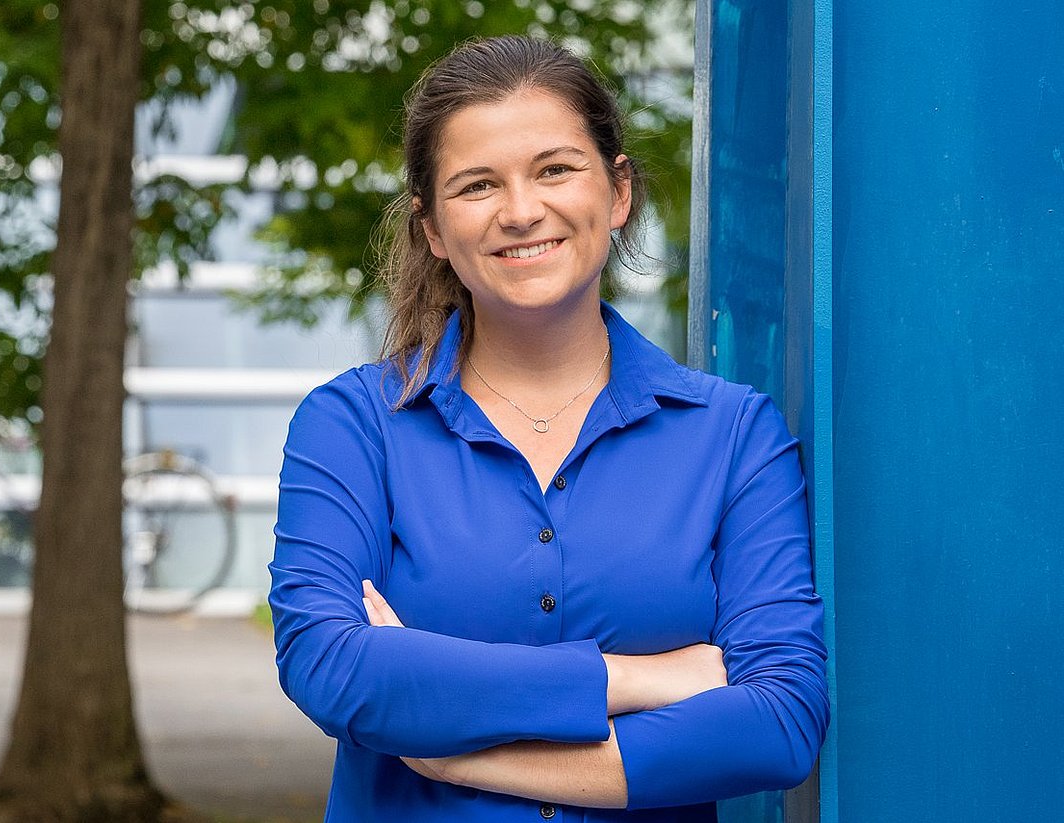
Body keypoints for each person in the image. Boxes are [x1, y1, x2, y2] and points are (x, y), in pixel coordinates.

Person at [268, 35, 828, 821]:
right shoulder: (354, 426)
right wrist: (632, 678)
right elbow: (329, 665)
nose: (522, 210)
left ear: (619, 190)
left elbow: (781, 722)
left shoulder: (734, 436)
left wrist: (450, 747)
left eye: (555, 169)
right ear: (432, 228)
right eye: (477, 185)